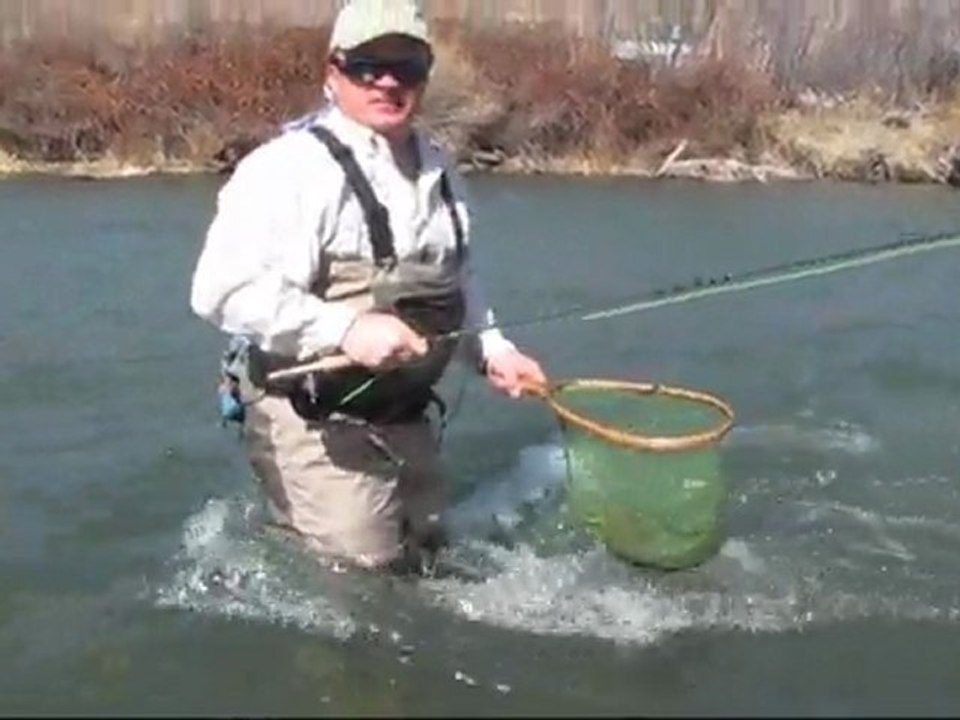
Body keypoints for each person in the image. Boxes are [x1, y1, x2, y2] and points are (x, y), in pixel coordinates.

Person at [189, 0, 546, 573]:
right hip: (312, 418)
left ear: (424, 76)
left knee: (429, 556)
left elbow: (459, 277)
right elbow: (220, 290)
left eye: (405, 65)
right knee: (362, 580)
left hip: (404, 412)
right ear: (334, 73)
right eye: (366, 66)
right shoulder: (288, 170)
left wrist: (494, 351)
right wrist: (345, 327)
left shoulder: (440, 168)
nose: (387, 80)